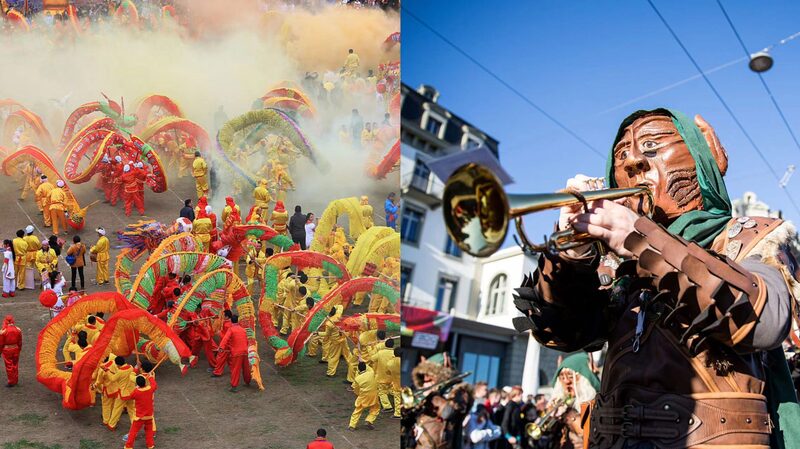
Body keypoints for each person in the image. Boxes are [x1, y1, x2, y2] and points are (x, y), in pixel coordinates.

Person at [512, 109, 800, 448]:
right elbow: (566, 334)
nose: (633, 161)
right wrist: (571, 255)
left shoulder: (751, 236)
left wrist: (641, 240)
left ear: (701, 158)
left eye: (652, 145)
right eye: (621, 155)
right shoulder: (621, 269)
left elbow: (764, 320)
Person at [121, 375, 158, 449]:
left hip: (139, 417)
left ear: (137, 384)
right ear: (145, 383)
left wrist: (135, 388)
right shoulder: (150, 389)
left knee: (133, 432)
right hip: (149, 415)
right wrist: (150, 377)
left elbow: (130, 397)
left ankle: (128, 446)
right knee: (149, 431)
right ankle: (150, 445)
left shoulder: (136, 391)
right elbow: (154, 385)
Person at [217, 314, 250, 392]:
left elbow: (225, 339)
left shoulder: (231, 329)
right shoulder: (243, 329)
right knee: (246, 368)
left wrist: (221, 347)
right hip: (245, 351)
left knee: (235, 369)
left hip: (236, 353)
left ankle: (234, 386)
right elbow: (247, 340)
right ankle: (247, 381)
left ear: (231, 321)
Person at [349, 361, 379, 431]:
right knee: (375, 408)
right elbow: (370, 368)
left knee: (358, 410)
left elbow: (356, 389)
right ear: (366, 367)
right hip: (373, 395)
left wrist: (358, 394)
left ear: (358, 369)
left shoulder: (357, 378)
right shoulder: (371, 373)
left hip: (363, 396)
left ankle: (352, 425)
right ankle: (369, 420)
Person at [0, 315, 22, 387]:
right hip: (16, 349)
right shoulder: (18, 329)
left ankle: (11, 381)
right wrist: (19, 349)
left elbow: (1, 343)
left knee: (9, 366)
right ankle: (15, 380)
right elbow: (20, 342)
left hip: (7, 350)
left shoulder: (3, 331)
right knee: (15, 365)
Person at [23, 226, 40, 290]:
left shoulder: (24, 238)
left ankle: (29, 280)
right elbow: (39, 245)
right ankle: (42, 279)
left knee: (29, 267)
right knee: (39, 266)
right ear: (32, 231)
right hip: (35, 253)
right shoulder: (35, 238)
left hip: (27, 254)